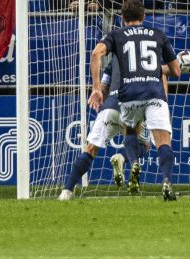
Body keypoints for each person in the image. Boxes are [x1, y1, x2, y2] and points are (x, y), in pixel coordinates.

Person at [83, 0, 182, 201]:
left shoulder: (118, 48)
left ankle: (124, 159)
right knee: (155, 143)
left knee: (128, 136)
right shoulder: (156, 39)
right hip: (151, 98)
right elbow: (171, 73)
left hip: (122, 100)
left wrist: (97, 92)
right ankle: (163, 179)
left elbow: (105, 77)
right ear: (144, 16)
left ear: (122, 18)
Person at [57, 55, 155, 200]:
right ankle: (121, 157)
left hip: (110, 106)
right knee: (145, 145)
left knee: (90, 149)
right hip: (133, 106)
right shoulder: (147, 55)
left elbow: (103, 85)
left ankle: (67, 191)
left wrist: (100, 97)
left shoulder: (115, 57)